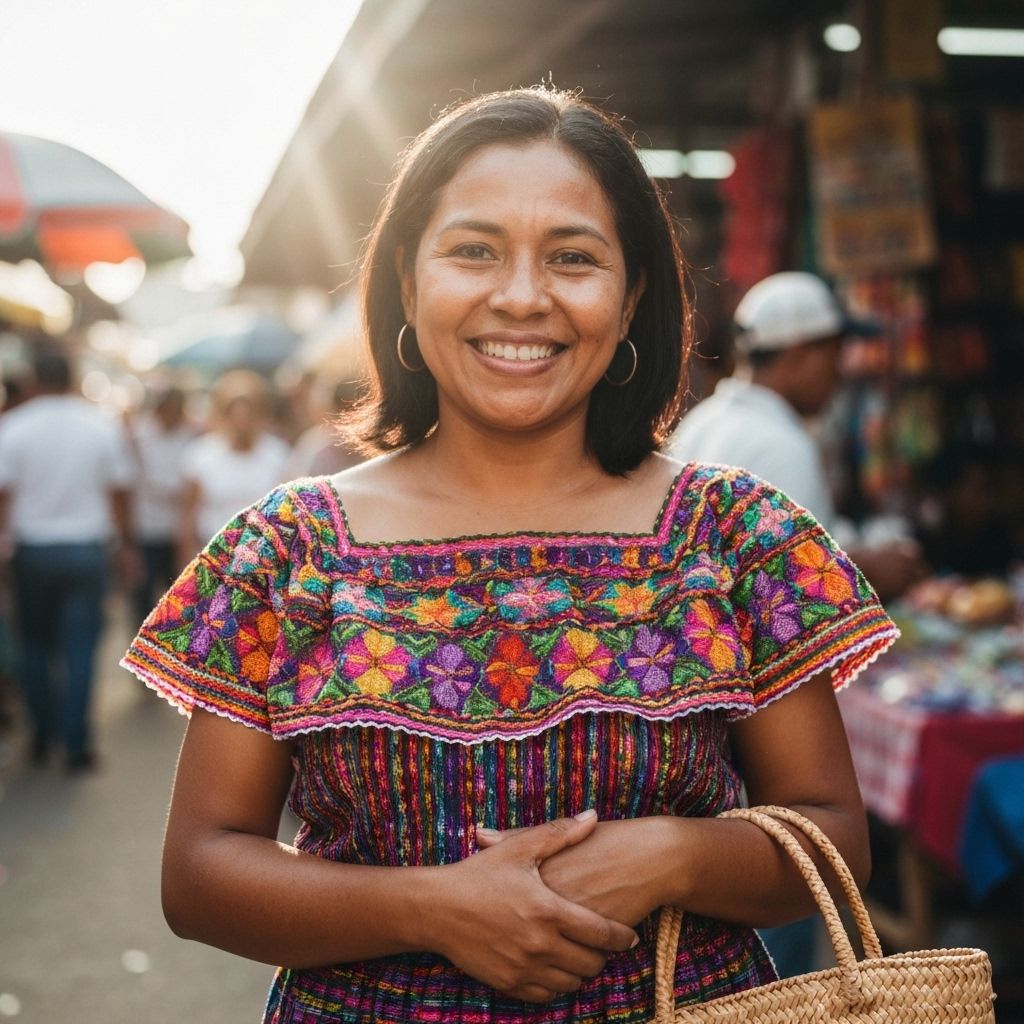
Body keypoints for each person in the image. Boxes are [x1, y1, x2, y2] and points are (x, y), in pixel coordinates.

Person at [122, 88, 898, 1023]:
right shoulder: (288, 551)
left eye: (573, 257)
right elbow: (200, 873)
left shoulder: (738, 535)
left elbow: (834, 837)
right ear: (407, 282)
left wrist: (674, 855)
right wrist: (430, 908)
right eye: (474, 251)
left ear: (632, 293)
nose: (522, 297)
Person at [667, 271, 927, 603]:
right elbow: (798, 594)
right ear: (802, 353)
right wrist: (873, 572)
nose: (840, 372)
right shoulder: (783, 445)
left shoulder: (700, 422)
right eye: (835, 356)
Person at [0, 345, 136, 771]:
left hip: (31, 549)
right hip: (86, 547)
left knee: (35, 644)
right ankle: (76, 742)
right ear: (73, 376)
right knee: (81, 648)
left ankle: (42, 734)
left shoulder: (14, 427)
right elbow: (120, 491)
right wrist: (126, 546)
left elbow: (4, 496)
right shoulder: (98, 425)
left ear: (34, 380)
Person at [176, 369, 290, 568]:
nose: (242, 422)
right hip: (213, 558)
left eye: (249, 414)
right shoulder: (201, 455)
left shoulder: (278, 455)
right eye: (235, 414)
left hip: (264, 560)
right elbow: (189, 514)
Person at [124, 383, 196, 626]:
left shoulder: (189, 437)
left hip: (174, 529)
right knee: (142, 592)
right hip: (146, 526)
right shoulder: (140, 437)